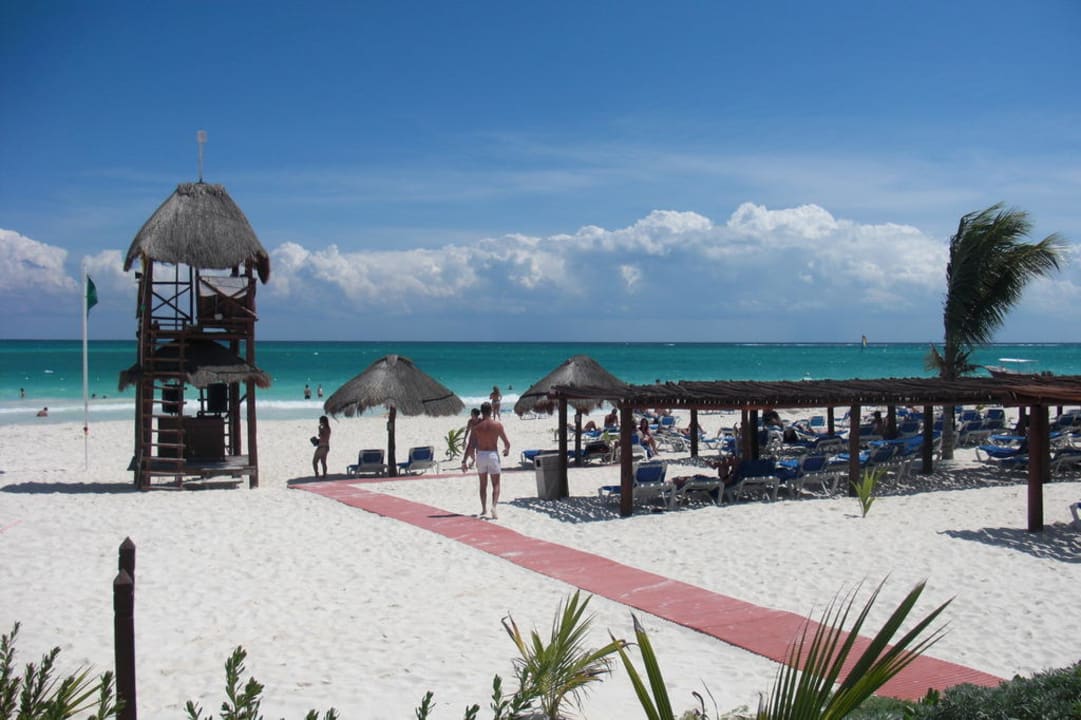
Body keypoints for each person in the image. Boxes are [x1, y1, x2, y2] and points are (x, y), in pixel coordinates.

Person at [462, 401, 510, 519]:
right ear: (491, 411)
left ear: (481, 412)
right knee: (496, 484)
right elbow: (507, 443)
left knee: (483, 484)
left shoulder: (476, 427)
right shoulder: (498, 425)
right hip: (493, 454)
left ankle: (484, 509)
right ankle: (493, 506)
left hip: (481, 455)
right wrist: (506, 450)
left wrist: (464, 461)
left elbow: (471, 445)